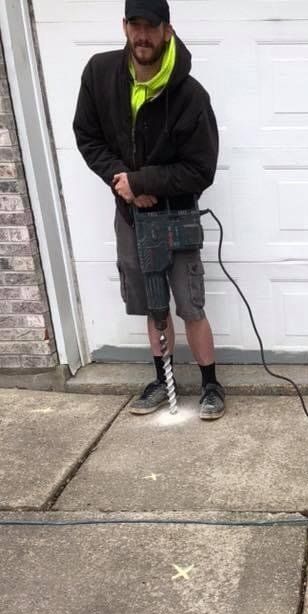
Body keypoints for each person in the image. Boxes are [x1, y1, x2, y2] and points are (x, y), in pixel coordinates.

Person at [73, 0, 225, 419]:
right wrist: (123, 181)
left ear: (167, 30)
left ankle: (211, 385)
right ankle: (164, 379)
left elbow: (201, 168)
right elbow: (87, 135)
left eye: (151, 27)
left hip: (177, 219)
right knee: (151, 305)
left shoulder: (191, 95)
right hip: (131, 218)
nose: (143, 35)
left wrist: (143, 182)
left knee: (190, 305)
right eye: (135, 25)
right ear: (124, 26)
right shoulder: (100, 74)